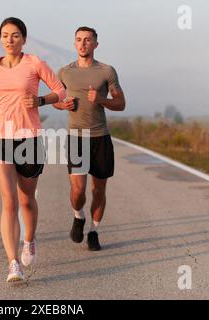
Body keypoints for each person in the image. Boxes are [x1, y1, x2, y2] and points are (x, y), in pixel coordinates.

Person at [0, 17, 66, 282]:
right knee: (9, 201)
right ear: (0, 38)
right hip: (0, 137)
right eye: (5, 35)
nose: (9, 39)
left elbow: (60, 92)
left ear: (24, 39)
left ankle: (29, 240)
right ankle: (13, 263)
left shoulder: (34, 63)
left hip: (29, 137)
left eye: (15, 35)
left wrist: (40, 100)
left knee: (26, 199)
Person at [53, 26, 126, 251]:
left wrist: (101, 100)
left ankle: (94, 231)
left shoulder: (107, 71)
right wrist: (62, 104)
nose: (83, 44)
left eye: (87, 40)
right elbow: (56, 99)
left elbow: (121, 103)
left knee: (98, 191)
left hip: (100, 138)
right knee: (77, 191)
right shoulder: (65, 72)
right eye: (78, 40)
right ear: (74, 44)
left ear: (95, 44)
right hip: (76, 137)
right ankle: (78, 216)